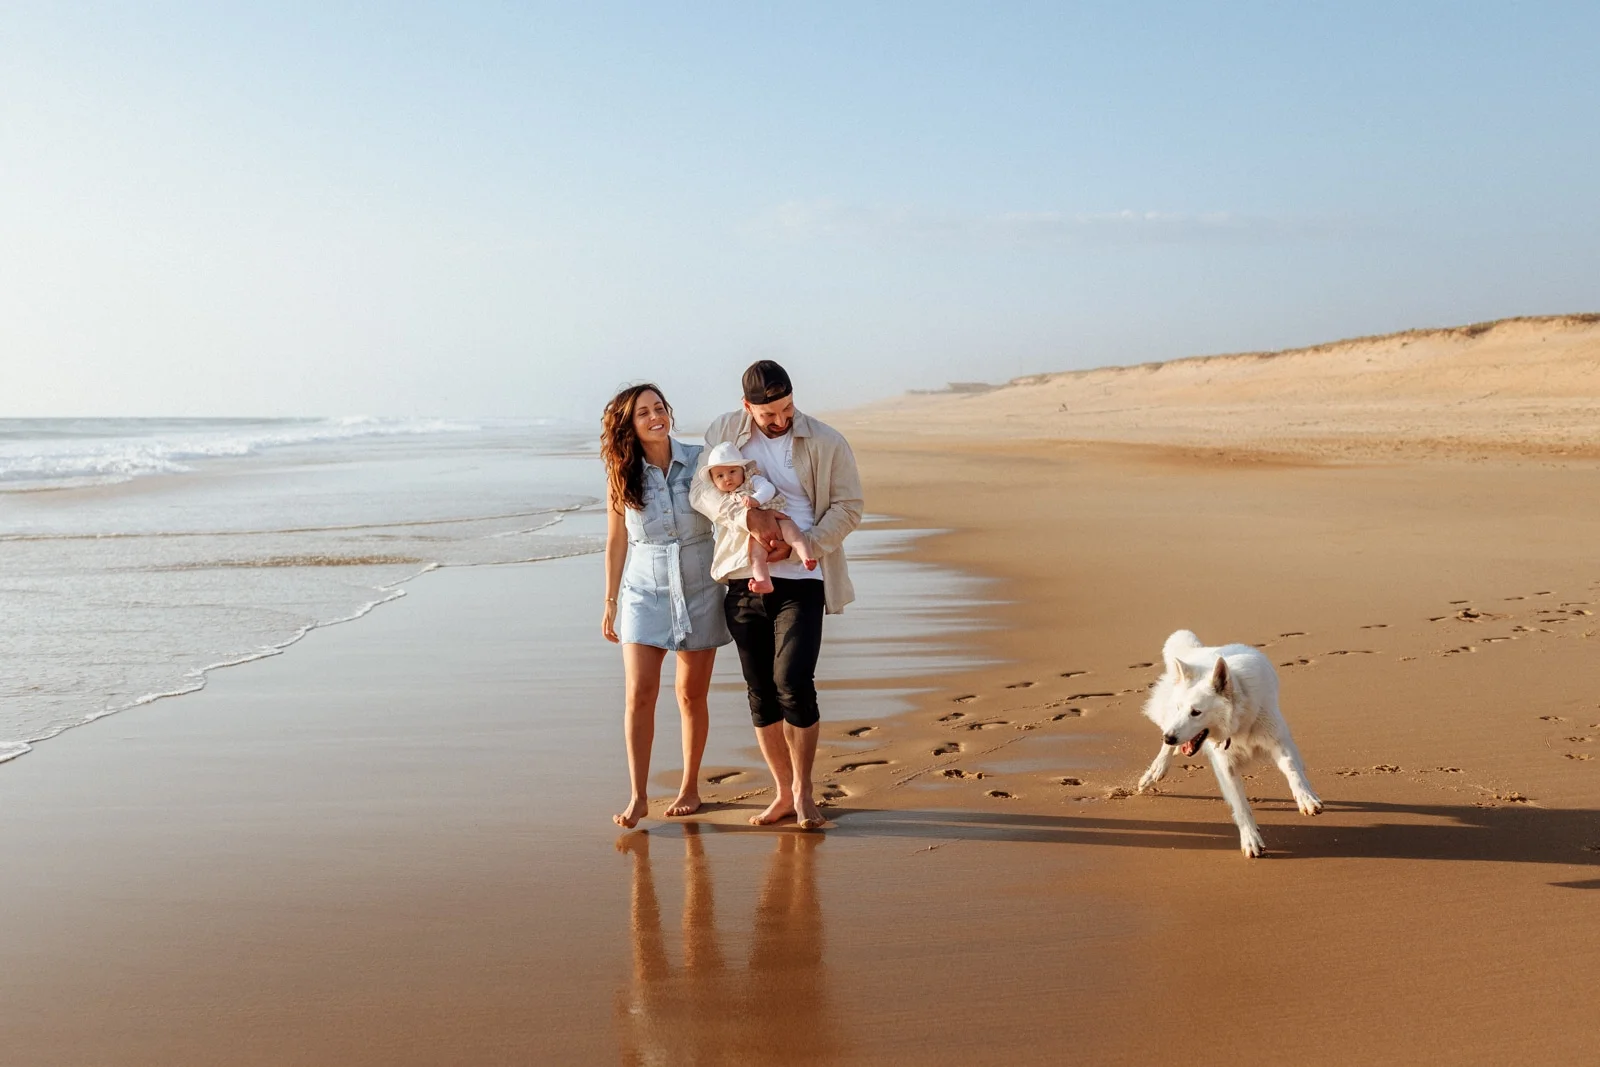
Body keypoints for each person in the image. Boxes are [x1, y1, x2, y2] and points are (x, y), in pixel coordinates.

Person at [691, 361, 863, 829]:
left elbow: (850, 506)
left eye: (786, 407)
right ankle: (783, 792)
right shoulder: (724, 431)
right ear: (747, 407)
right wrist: (746, 519)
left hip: (803, 578)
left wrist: (803, 543)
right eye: (768, 413)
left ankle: (806, 793)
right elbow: (700, 492)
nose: (779, 418)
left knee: (793, 681)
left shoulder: (826, 440)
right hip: (741, 574)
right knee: (761, 692)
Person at [601, 383, 731, 828]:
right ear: (629, 425)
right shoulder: (622, 472)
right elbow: (617, 540)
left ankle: (690, 787)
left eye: (660, 408)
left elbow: (731, 508)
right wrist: (610, 600)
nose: (656, 416)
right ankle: (638, 796)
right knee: (639, 694)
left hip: (700, 585)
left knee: (690, 694)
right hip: (643, 589)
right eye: (644, 412)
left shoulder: (700, 460)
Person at [700, 440, 817, 594]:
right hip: (754, 533)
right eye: (720, 476)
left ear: (742, 470)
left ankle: (806, 555)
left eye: (732, 472)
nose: (727, 478)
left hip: (776, 517)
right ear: (714, 481)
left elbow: (768, 488)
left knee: (793, 533)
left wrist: (756, 499)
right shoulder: (725, 497)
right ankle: (764, 581)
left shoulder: (752, 480)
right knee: (755, 556)